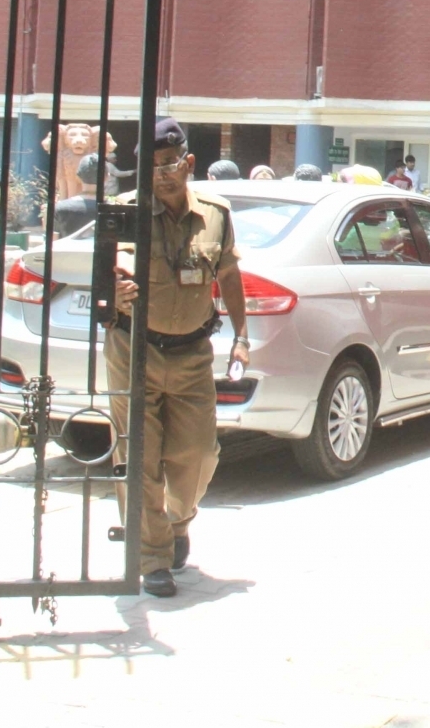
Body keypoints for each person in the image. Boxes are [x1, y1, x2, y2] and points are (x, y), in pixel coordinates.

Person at [108, 118, 248, 597]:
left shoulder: (215, 214)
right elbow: (113, 263)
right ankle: (152, 557)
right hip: (134, 349)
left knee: (198, 454)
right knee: (140, 455)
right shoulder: (125, 211)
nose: (161, 175)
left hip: (191, 352)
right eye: (151, 167)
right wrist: (115, 287)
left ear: (188, 163)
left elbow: (228, 275)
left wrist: (242, 337)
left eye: (169, 164)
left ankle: (178, 522)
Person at [53, 153, 102, 237]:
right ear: (107, 176)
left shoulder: (60, 207)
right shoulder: (112, 210)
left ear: (78, 176)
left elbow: (54, 239)